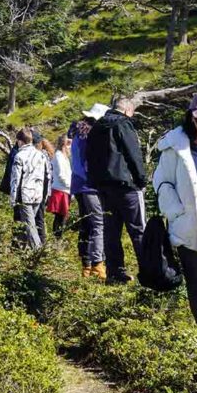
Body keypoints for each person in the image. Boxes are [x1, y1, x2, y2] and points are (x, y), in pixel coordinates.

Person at [153, 90, 197, 335]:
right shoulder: (177, 146)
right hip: (191, 225)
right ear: (191, 118)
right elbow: (161, 182)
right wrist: (176, 212)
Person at [86, 96, 146, 284]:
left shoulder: (97, 127)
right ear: (128, 110)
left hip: (104, 188)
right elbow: (133, 154)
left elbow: (90, 157)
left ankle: (115, 273)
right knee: (138, 230)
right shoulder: (123, 124)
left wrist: (96, 183)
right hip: (126, 186)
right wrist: (141, 180)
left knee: (111, 232)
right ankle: (148, 271)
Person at [71, 104, 109, 279]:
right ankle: (97, 264)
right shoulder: (91, 136)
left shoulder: (78, 133)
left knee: (86, 225)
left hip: (78, 184)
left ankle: (85, 265)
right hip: (90, 185)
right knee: (98, 224)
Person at [10, 128, 52, 250]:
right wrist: (45, 196)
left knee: (30, 227)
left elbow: (15, 180)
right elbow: (47, 177)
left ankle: (39, 254)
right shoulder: (41, 155)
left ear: (19, 141)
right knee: (26, 226)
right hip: (38, 195)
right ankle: (21, 254)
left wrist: (13, 200)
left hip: (25, 196)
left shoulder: (19, 156)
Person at [47, 135, 72, 238]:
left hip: (64, 189)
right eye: (68, 144)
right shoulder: (59, 156)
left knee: (62, 216)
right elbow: (61, 174)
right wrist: (70, 186)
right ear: (64, 144)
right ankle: (57, 238)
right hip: (61, 189)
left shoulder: (63, 156)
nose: (70, 147)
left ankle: (58, 238)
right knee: (60, 217)